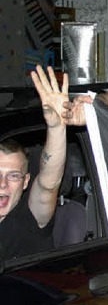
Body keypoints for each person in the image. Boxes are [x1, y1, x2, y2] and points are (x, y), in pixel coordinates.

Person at [0, 65, 68, 258]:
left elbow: (48, 183)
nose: (3, 184)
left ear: (26, 181)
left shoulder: (28, 218)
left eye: (13, 175)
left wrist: (56, 128)